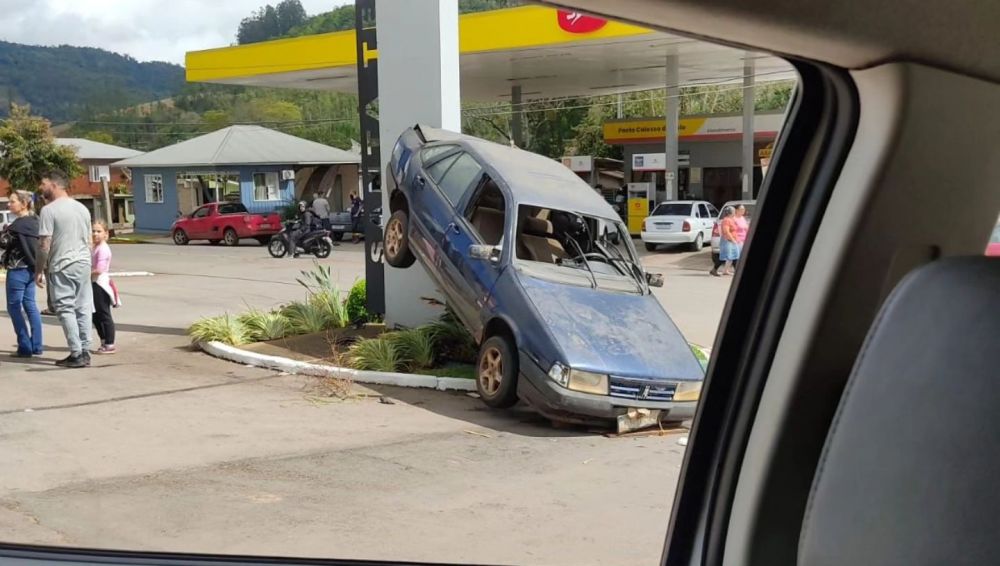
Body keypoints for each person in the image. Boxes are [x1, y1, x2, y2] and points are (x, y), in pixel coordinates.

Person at [36, 170, 94, 368]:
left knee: (65, 308)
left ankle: (76, 352)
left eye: (43, 183)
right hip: (83, 263)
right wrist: (88, 261)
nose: (40, 187)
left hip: (62, 264)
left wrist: (39, 269)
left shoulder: (49, 210)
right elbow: (89, 240)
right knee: (83, 307)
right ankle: (86, 350)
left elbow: (44, 244)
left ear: (54, 185)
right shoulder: (82, 208)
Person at [1, 190, 43, 358]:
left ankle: (24, 347)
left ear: (24, 204)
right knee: (31, 306)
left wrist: (5, 231)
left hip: (17, 271)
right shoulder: (36, 222)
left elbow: (3, 243)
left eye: (12, 201)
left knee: (14, 308)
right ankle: (37, 345)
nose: (8, 204)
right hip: (32, 270)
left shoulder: (17, 226)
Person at [91, 220, 120, 355]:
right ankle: (103, 340)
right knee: (95, 314)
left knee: (103, 314)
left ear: (105, 234)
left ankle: (109, 343)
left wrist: (83, 273)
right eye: (93, 231)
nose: (95, 234)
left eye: (98, 231)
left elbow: (99, 269)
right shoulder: (95, 247)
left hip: (100, 284)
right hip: (93, 283)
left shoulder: (103, 248)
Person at [711, 206, 739, 277]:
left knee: (734, 256)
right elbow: (726, 231)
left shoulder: (731, 219)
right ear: (731, 212)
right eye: (734, 211)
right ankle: (714, 270)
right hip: (727, 241)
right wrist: (732, 239)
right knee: (724, 257)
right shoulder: (726, 220)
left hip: (732, 241)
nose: (735, 212)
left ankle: (738, 272)